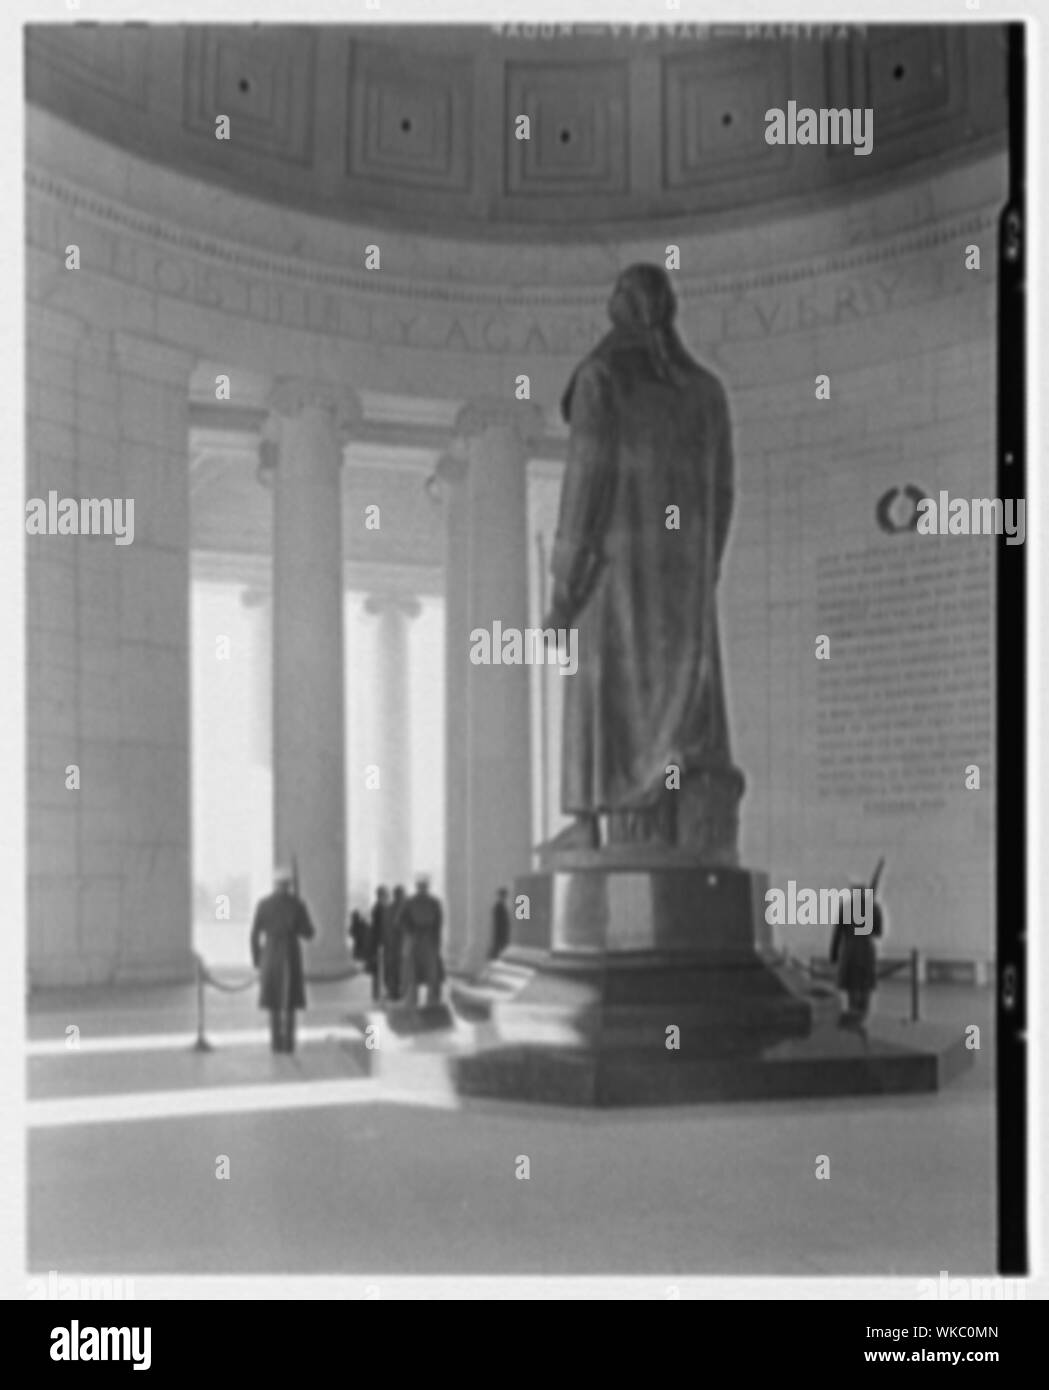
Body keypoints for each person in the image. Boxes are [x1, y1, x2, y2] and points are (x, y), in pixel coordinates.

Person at [544, 263, 743, 861]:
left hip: (615, 579)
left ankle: (586, 822)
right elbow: (724, 495)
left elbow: (585, 486)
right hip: (683, 589)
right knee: (681, 714)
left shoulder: (601, 379)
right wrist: (701, 569)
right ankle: (668, 820)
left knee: (601, 697)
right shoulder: (707, 394)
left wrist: (564, 589)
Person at [250, 865, 315, 1054]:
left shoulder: (263, 904)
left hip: (270, 954)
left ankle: (276, 1043)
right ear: (289, 884)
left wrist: (257, 960)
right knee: (290, 1002)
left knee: (273, 1002)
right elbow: (309, 933)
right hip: (290, 953)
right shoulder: (297, 904)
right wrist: (299, 923)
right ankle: (289, 1043)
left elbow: (254, 934)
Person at [830, 884, 884, 1032]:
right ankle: (862, 1025)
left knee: (852, 992)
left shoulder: (846, 908)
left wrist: (833, 955)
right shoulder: (874, 908)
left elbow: (838, 934)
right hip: (866, 952)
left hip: (850, 953)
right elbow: (878, 932)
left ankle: (854, 1027)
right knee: (865, 991)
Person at [400, 875, 444, 1009]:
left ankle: (431, 1001)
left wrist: (436, 941)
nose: (423, 888)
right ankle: (415, 1001)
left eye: (424, 886)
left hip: (426, 940)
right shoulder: (410, 902)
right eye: (421, 885)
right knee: (416, 971)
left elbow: (438, 923)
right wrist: (411, 930)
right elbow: (401, 920)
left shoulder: (433, 902)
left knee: (430, 972)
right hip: (418, 940)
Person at [384, 885, 407, 1001]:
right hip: (399, 945)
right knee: (398, 969)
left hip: (394, 944)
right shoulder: (402, 909)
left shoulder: (390, 908)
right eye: (403, 894)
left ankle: (394, 992)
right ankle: (396, 992)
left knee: (395, 969)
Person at [368, 886, 389, 1003]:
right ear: (381, 896)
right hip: (380, 943)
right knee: (380, 969)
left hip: (379, 942)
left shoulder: (379, 908)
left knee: (380, 969)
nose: (388, 897)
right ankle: (378, 994)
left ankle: (378, 993)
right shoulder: (379, 909)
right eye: (386, 895)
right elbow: (380, 928)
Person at [489, 887, 511, 959]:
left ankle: (493, 957)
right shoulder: (499, 906)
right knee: (498, 948)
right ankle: (493, 958)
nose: (505, 897)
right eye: (504, 895)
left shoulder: (501, 906)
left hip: (501, 933)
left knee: (498, 948)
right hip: (500, 933)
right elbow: (500, 922)